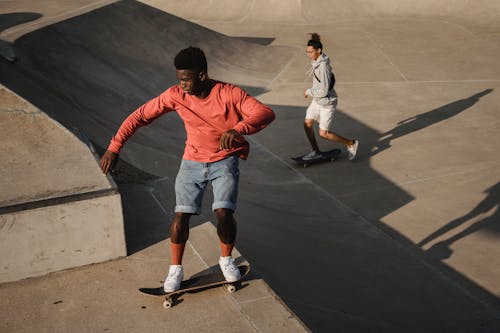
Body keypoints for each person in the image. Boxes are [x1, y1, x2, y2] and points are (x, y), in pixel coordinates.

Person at [99, 46, 275, 292]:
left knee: (223, 211)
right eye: (179, 79)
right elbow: (140, 116)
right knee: (181, 215)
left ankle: (226, 260)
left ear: (201, 76)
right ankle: (175, 270)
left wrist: (238, 129)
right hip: (191, 161)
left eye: (185, 79)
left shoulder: (229, 93)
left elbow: (264, 113)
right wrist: (114, 147)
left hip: (225, 159)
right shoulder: (175, 96)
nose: (181, 84)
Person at [303, 33, 358, 160]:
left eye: (311, 52)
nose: (308, 55)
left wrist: (308, 92)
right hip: (318, 101)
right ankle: (315, 151)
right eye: (307, 52)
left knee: (324, 134)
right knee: (307, 123)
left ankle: (351, 143)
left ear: (318, 51)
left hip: (327, 103)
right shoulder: (317, 60)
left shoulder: (323, 67)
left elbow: (323, 91)